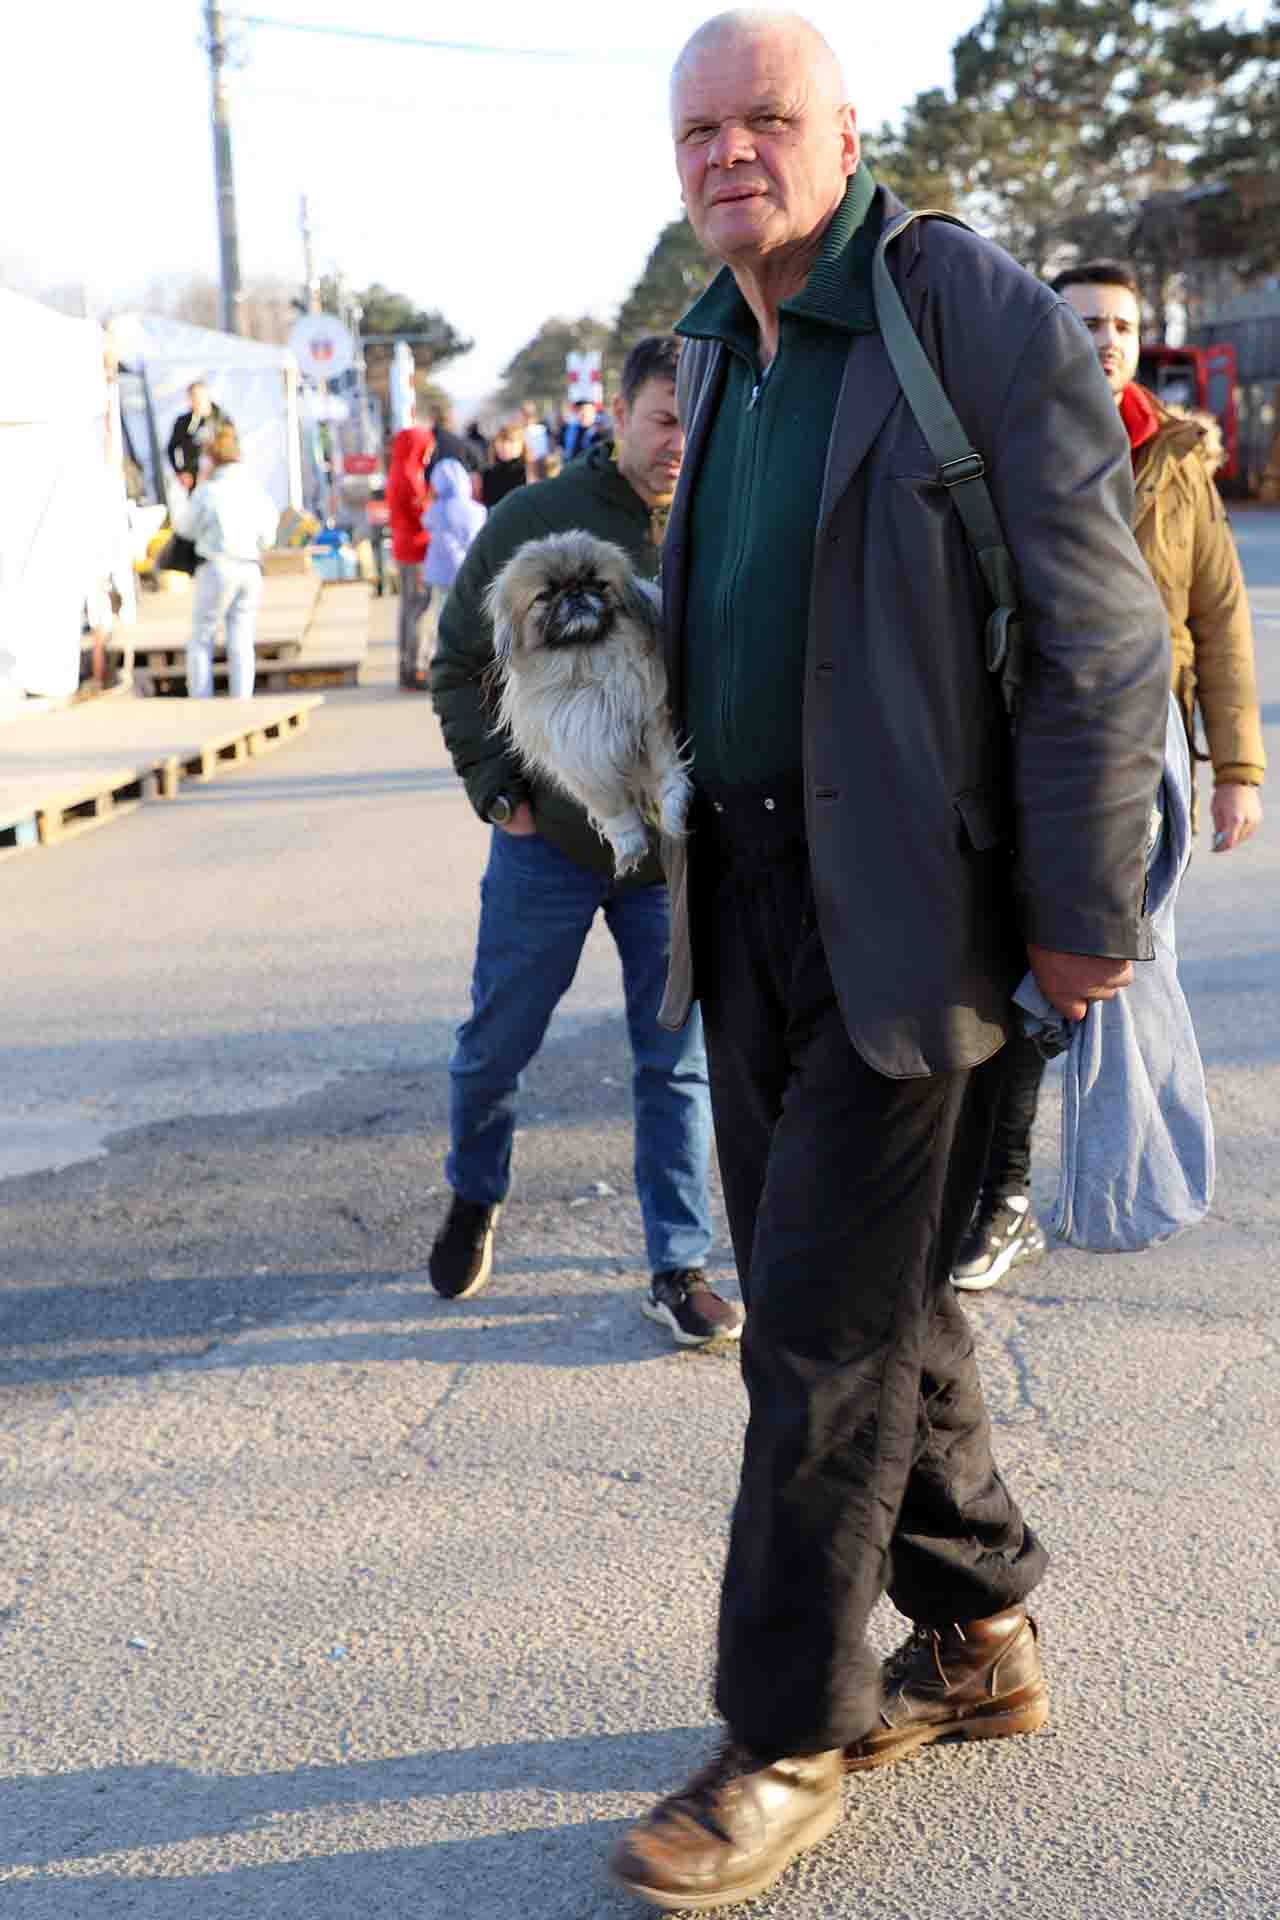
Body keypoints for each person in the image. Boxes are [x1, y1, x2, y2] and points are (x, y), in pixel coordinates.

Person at [606, 15, 1170, 1912]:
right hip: (748, 896)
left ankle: (782, 1733)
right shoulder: (716, 342)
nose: (728, 152)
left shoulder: (962, 311)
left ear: (852, 135)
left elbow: (1103, 633)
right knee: (854, 1287)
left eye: (768, 118)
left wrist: (1088, 907)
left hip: (916, 902)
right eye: (699, 127)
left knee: (821, 1338)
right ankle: (984, 1632)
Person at [951, 257, 1267, 1293]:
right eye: (1081, 320)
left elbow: (1218, 618)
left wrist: (1236, 768)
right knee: (1034, 966)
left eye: (1119, 325)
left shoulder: (1177, 462)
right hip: (1034, 735)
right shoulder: (1003, 440)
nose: (1102, 340)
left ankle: (1087, 1183)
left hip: (1153, 748)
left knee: (1107, 972)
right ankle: (1000, 1191)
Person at [429, 335, 743, 1349]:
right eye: (662, 417)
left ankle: (678, 1265)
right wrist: (498, 794)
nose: (680, 443)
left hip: (674, 860)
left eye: (698, 420)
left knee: (675, 1062)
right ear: (618, 414)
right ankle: (475, 1192)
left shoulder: (734, 515)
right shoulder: (533, 523)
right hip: (548, 850)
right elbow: (456, 665)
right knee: (494, 1048)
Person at [171, 424, 279, 699]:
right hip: (251, 566)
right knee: (242, 637)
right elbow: (268, 536)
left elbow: (185, 527)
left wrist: (186, 491)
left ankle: (202, 699)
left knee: (201, 637)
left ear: (212, 458)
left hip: (218, 565)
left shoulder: (209, 491)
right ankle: (242, 699)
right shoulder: (255, 489)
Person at [420, 458, 487, 664]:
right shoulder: (476, 510)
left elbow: (425, 523)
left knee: (441, 611)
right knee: (468, 612)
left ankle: (440, 652)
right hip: (467, 571)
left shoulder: (436, 509)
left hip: (440, 573)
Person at [386, 415, 435, 688]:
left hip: (406, 547)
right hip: (416, 549)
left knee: (409, 608)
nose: (429, 454)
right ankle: (414, 666)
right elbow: (421, 512)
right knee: (418, 608)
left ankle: (407, 664)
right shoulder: (409, 474)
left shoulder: (399, 469)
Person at [166, 379, 231, 493]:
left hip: (219, 476)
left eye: (198, 397)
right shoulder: (183, 422)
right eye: (192, 397)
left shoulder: (221, 419)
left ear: (206, 396)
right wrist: (181, 472)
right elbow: (172, 448)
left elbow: (232, 448)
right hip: (194, 478)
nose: (196, 401)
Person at [480, 418, 529, 510]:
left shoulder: (528, 471)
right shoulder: (489, 473)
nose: (505, 446)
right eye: (502, 441)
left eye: (511, 441)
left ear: (522, 444)